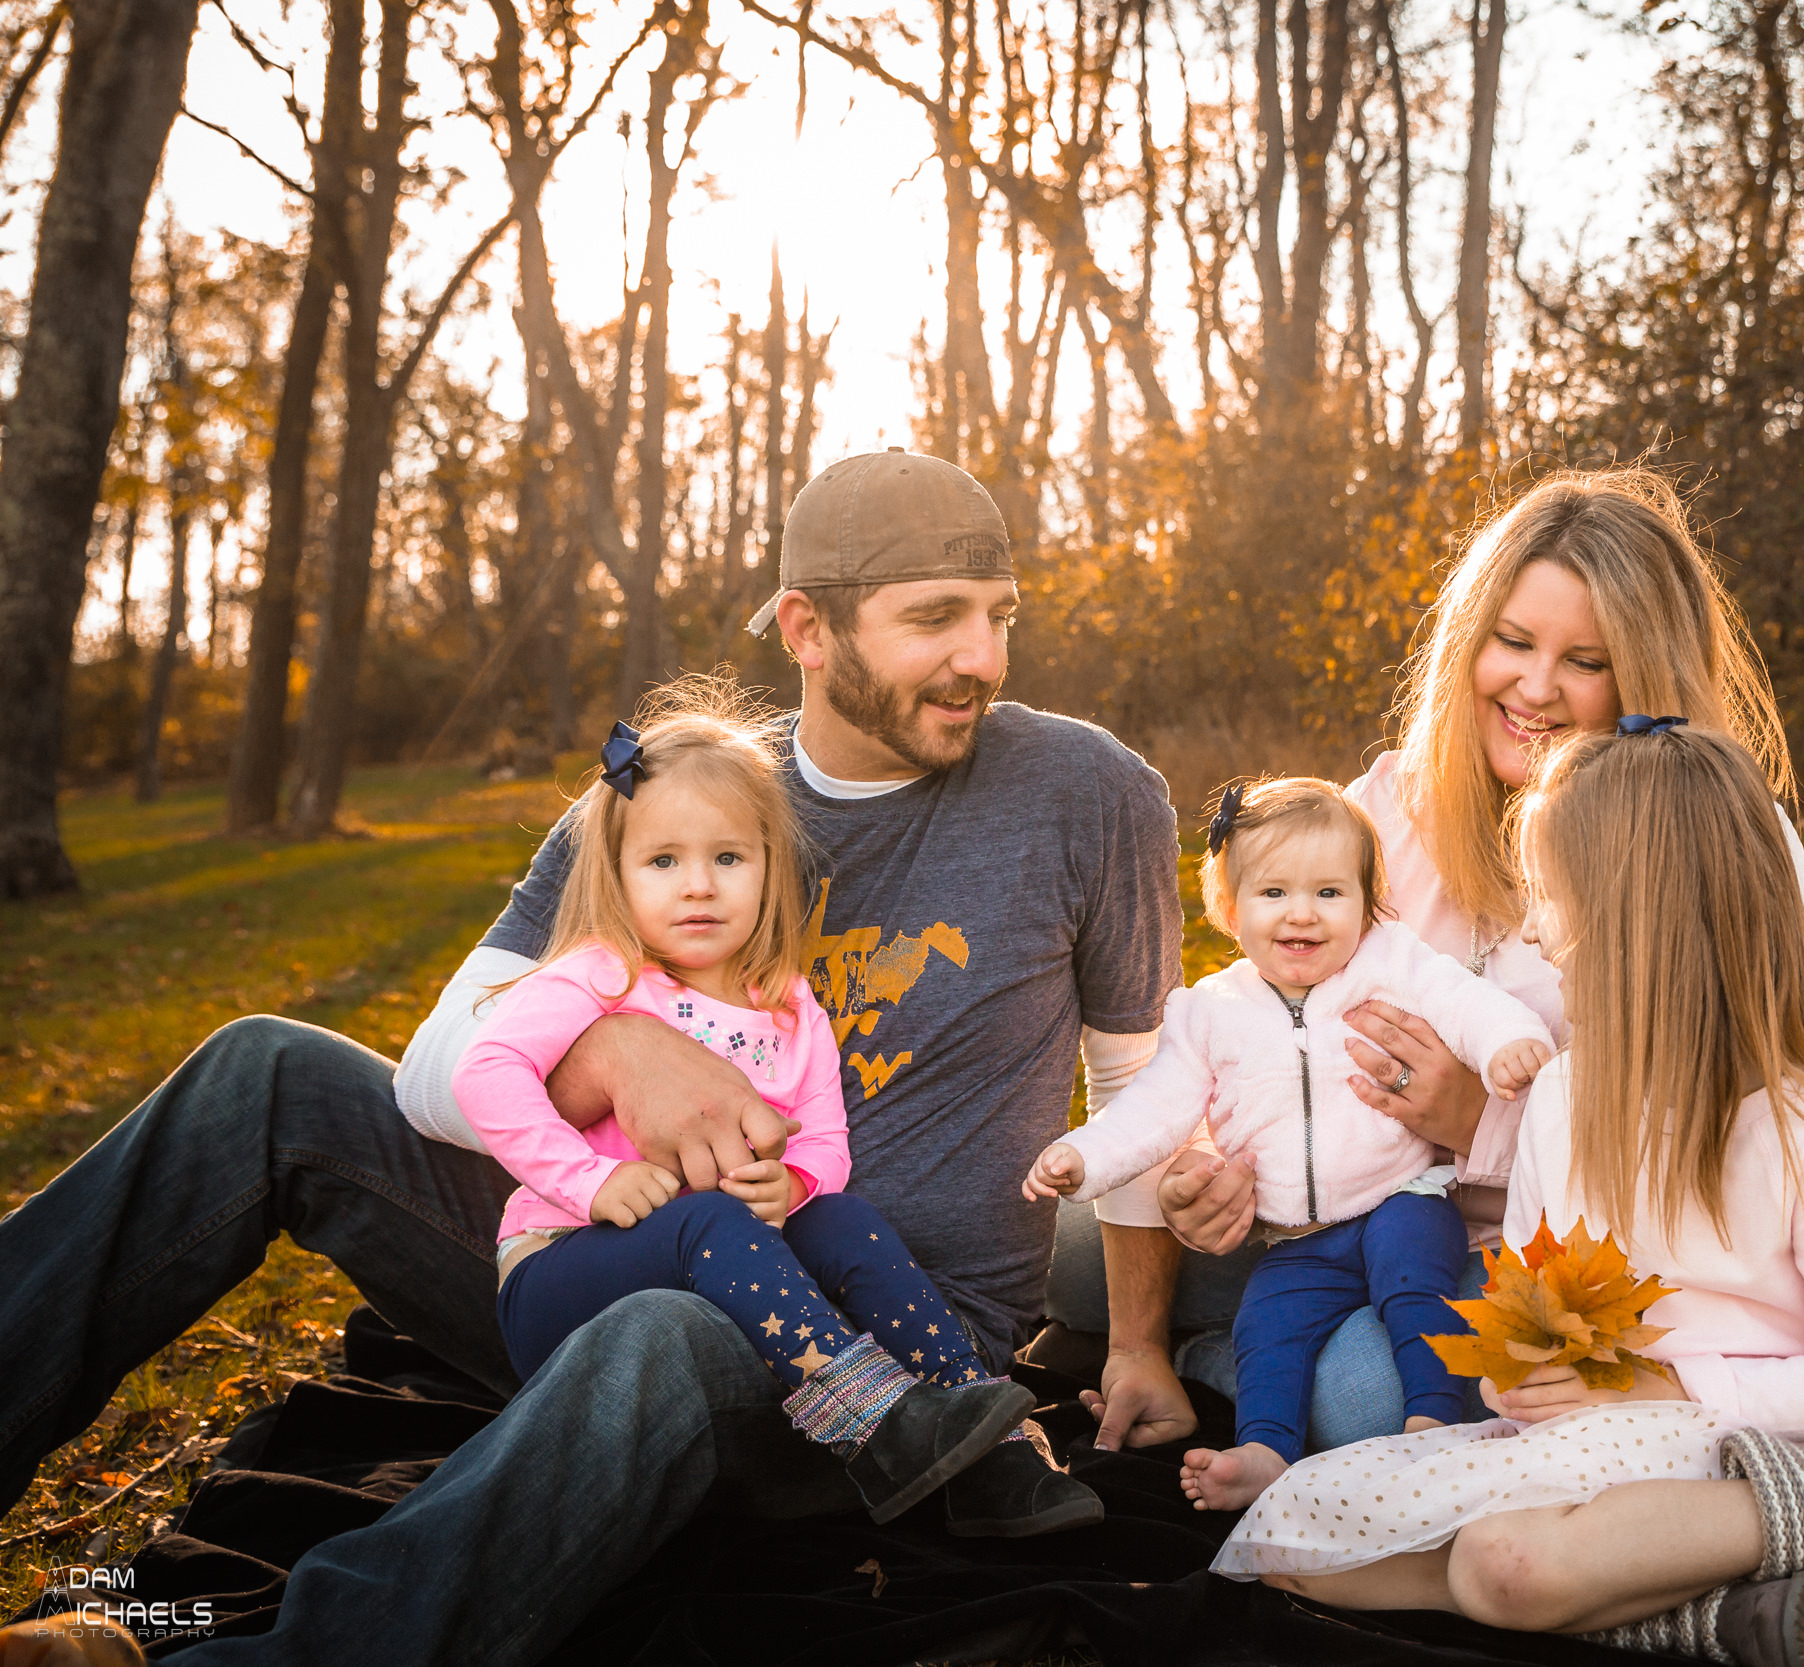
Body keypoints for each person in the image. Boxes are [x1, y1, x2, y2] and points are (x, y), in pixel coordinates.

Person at [0, 450, 1179, 1662]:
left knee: (660, 1331)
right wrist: (614, 1051)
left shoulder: (1086, 791)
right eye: (935, 619)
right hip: (601, 1237)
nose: (980, 659)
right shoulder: (666, 800)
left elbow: (1137, 1077)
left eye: (999, 617)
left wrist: (1136, 1340)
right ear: (807, 628)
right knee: (267, 1073)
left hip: (877, 1334)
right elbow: (434, 1067)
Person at [1220, 721, 1804, 1667]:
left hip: (1745, 1437)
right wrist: (1515, 1372)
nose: (1530, 930)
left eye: (1549, 900)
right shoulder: (1565, 1092)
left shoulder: (1801, 1129)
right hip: (1600, 1431)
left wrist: (1671, 1383)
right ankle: (1711, 1620)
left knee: (1504, 1564)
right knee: (1289, 1542)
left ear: (1633, 916)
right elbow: (1531, 1296)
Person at [1074, 466, 1804, 1455]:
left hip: (1559, 1248)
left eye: (1585, 660)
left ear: (1644, 674)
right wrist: (1215, 1169)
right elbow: (1259, 1026)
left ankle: (1232, 1355)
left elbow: (1729, 1142)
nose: (1534, 686)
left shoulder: (1714, 839)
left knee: (1364, 1399)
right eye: (1511, 641)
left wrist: (1474, 1120)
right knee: (1078, 1256)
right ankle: (1225, 1339)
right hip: (1333, 1214)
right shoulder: (1387, 805)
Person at [467, 682, 1093, 1535]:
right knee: (708, 1225)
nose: (698, 886)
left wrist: (791, 1187)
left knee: (843, 1218)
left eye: (728, 858)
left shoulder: (788, 1004)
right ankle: (880, 1424)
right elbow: (487, 1073)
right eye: (663, 861)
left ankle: (989, 1436)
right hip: (564, 1273)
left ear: (769, 865)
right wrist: (585, 1183)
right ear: (617, 872)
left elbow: (826, 1139)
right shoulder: (600, 972)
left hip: (709, 1274)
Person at [1023, 778, 1551, 1508]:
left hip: (1398, 1199)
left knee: (1414, 1283)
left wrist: (1508, 1043)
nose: (1302, 912)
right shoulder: (1211, 1011)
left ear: (1368, 904)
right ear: (1230, 907)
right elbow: (1157, 1106)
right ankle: (1265, 1450)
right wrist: (1086, 1155)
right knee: (1267, 1326)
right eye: (1274, 893)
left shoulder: (1388, 963)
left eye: (1330, 893)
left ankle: (1432, 1415)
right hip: (1293, 1237)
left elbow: (1462, 1002)